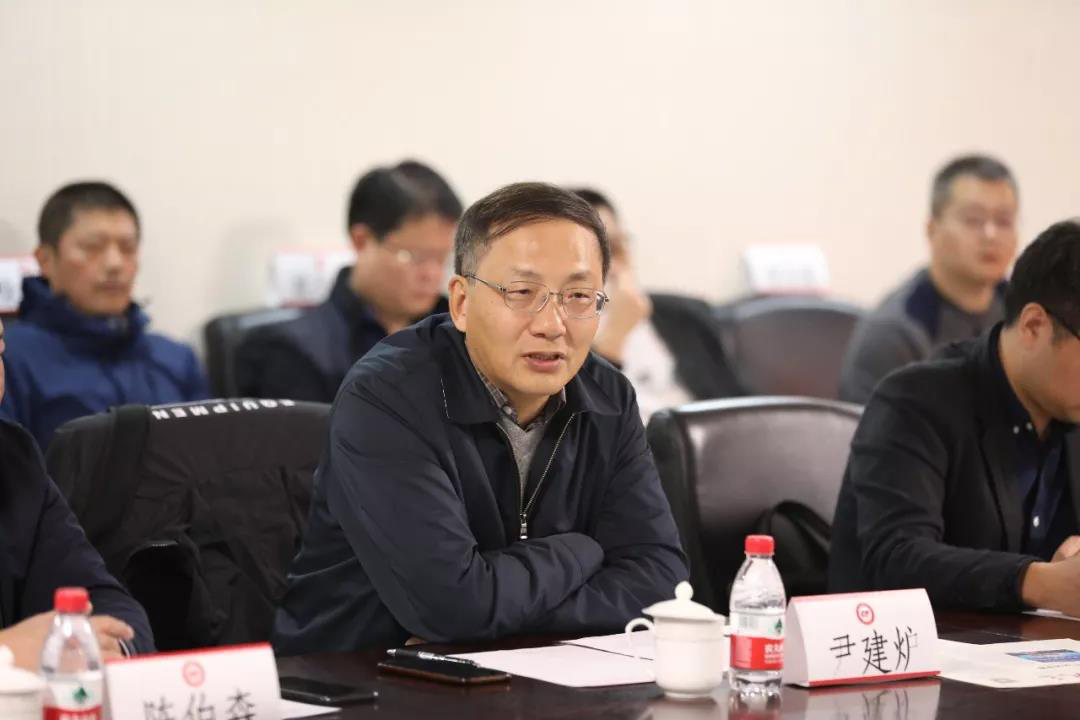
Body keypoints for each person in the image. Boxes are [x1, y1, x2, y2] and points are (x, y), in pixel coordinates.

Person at [273, 182, 688, 652]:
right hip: (357, 674)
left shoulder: (608, 395)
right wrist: (582, 551)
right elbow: (452, 606)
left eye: (578, 296)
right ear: (461, 303)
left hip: (537, 672)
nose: (552, 324)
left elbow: (661, 581)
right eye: (522, 292)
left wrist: (497, 609)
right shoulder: (387, 397)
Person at [829, 219, 1080, 615]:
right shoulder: (915, 401)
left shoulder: (1068, 408)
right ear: (1034, 326)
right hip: (904, 647)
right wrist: (1038, 581)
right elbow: (897, 559)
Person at [0, 182, 208, 450]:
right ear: (45, 259)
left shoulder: (177, 358)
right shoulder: (11, 359)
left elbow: (213, 459)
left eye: (128, 248)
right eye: (93, 247)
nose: (114, 263)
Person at [237, 160, 462, 402]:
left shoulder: (458, 329)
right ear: (361, 240)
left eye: (442, 258)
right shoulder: (293, 350)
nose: (433, 274)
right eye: (416, 257)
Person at [0, 318, 154, 669]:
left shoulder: (13, 461)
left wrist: (97, 649)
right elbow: (20, 652)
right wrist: (7, 654)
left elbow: (107, 605)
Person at [839, 155, 1019, 403]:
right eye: (973, 220)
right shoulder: (895, 332)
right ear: (932, 229)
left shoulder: (1028, 319)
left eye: (1004, 221)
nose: (991, 234)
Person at [572, 188, 739, 420]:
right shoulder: (551, 334)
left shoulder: (685, 315)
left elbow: (740, 404)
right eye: (590, 254)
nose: (609, 267)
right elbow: (578, 426)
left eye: (615, 248)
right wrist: (616, 334)